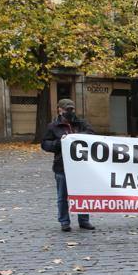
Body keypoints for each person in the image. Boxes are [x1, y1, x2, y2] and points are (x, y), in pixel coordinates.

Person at [41, 99, 96, 232]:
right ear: (59, 109)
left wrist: (75, 137)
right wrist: (60, 143)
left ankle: (84, 220)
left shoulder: (81, 123)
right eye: (67, 110)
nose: (70, 112)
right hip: (62, 166)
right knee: (62, 196)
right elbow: (45, 144)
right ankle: (64, 222)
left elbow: (92, 134)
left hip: (81, 166)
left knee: (82, 194)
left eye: (72, 109)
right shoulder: (53, 126)